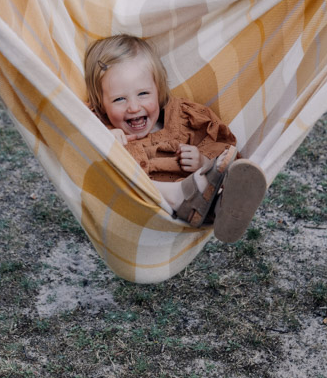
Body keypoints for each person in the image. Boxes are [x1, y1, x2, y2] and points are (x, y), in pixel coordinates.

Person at [84, 35, 267, 243]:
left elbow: (225, 149)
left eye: (143, 93)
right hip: (140, 210)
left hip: (198, 204)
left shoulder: (182, 119)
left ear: (159, 90)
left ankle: (223, 211)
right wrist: (104, 141)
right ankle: (178, 195)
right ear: (101, 102)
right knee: (113, 171)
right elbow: (78, 154)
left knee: (220, 173)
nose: (134, 107)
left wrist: (202, 161)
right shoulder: (100, 127)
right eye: (119, 99)